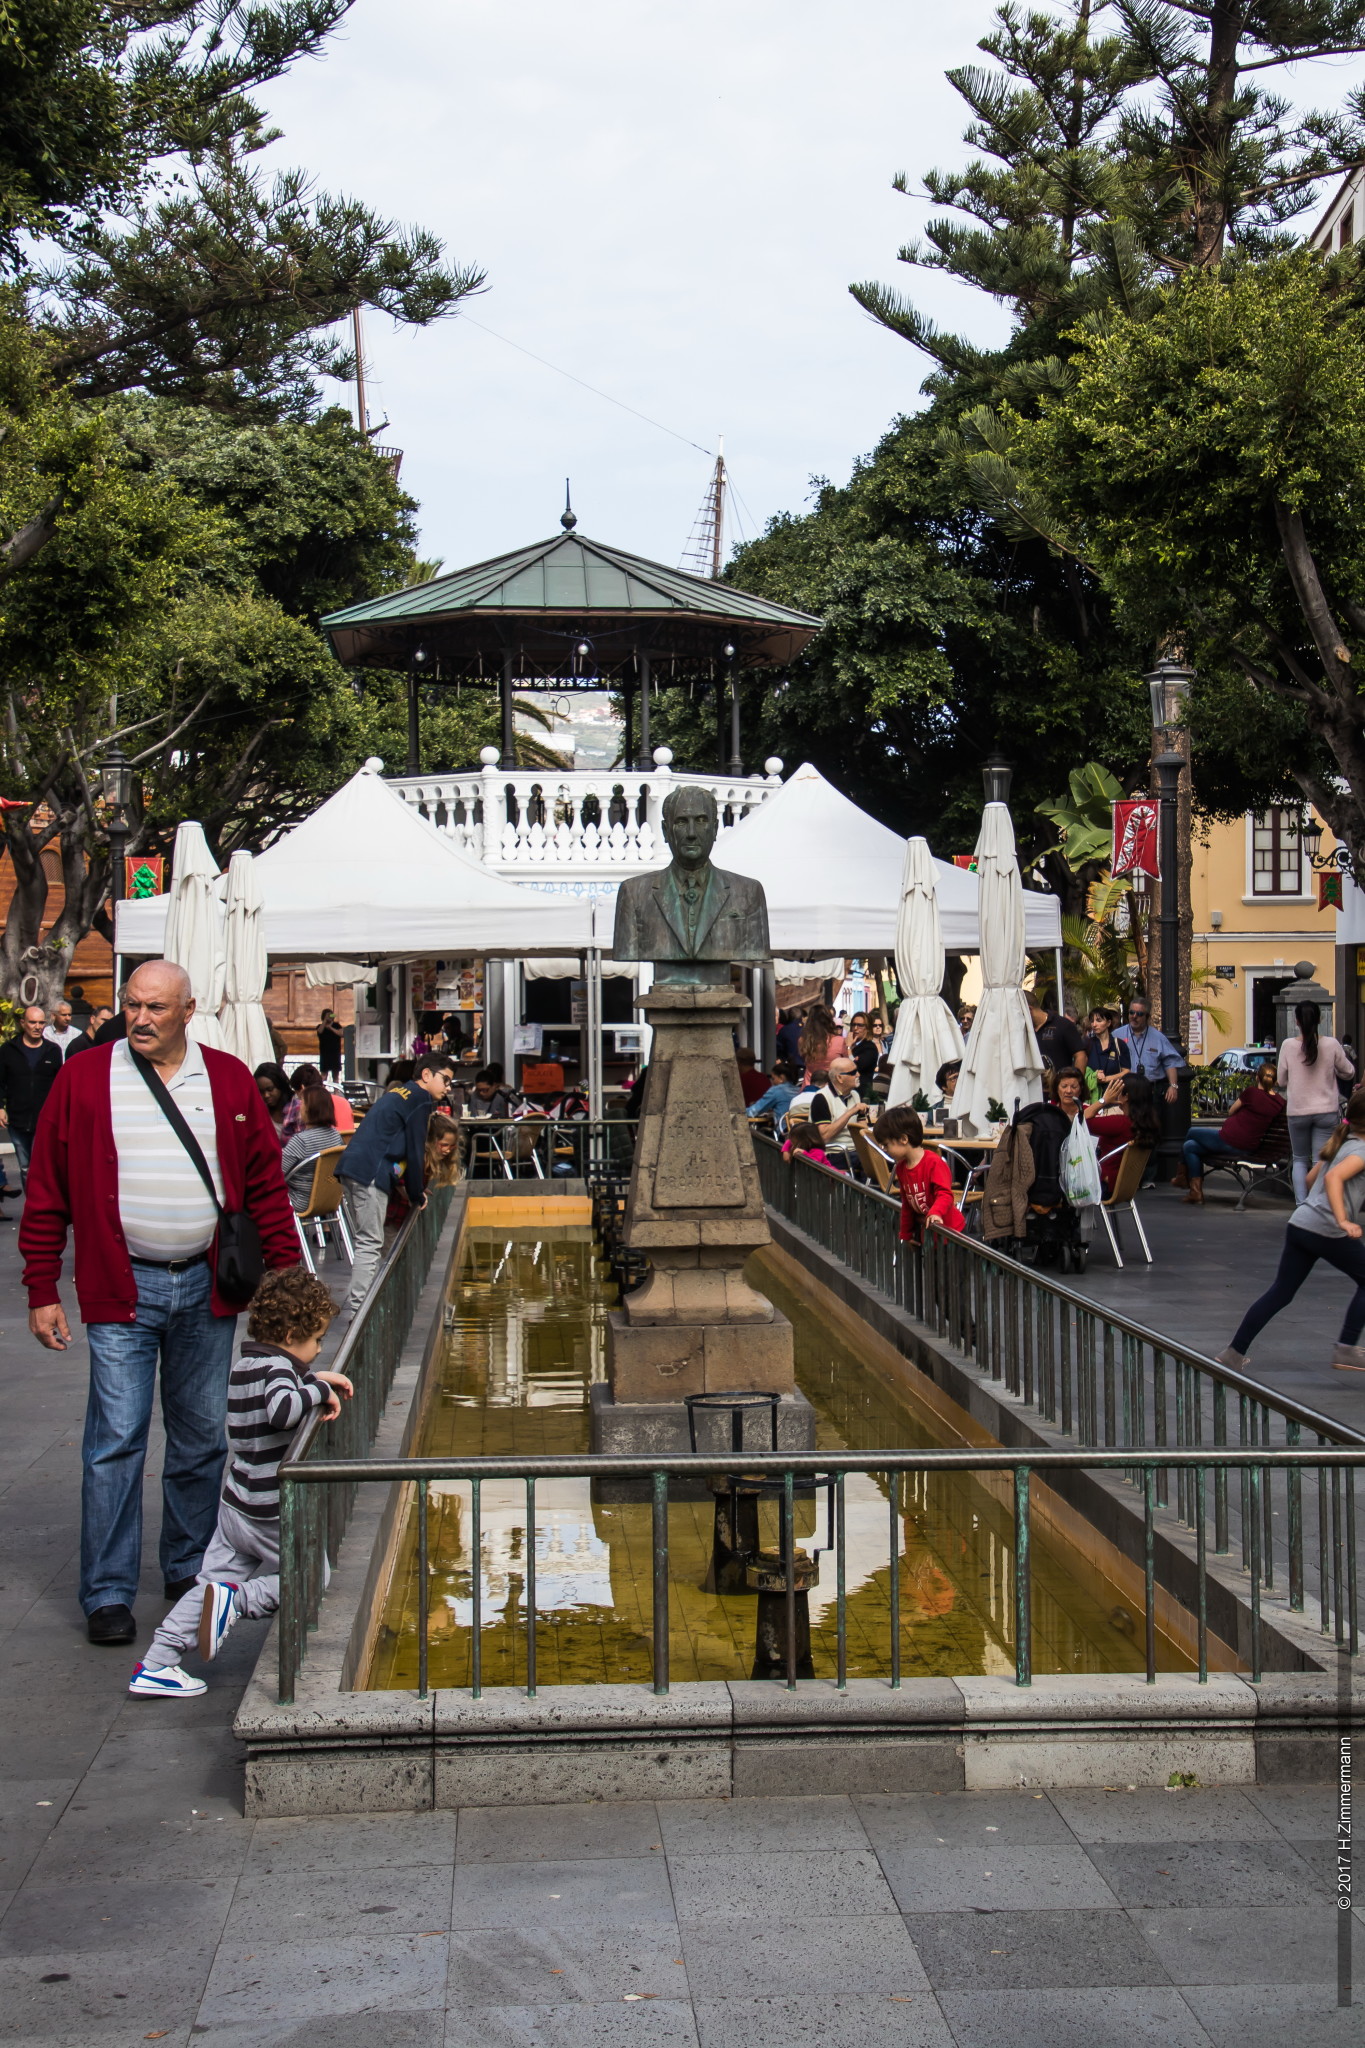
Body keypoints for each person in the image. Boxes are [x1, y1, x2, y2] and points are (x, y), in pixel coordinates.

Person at [19, 960, 299, 1645]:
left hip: (209, 1285)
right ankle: (109, 1592)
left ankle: (186, 1568)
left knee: (201, 1437)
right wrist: (40, 1285)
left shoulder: (228, 1078)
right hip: (122, 1284)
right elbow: (47, 1186)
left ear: (187, 1010)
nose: (140, 1018)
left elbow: (264, 1185)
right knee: (114, 1439)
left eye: (155, 1007)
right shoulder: (85, 1076)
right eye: (132, 1004)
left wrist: (289, 1285)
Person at [127, 1269, 351, 1697]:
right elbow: (283, 1409)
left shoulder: (246, 1365)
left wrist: (313, 1378)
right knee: (309, 1577)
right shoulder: (280, 1371)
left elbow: (274, 1395)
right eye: (317, 1340)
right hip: (270, 1508)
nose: (318, 1349)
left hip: (235, 1506)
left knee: (205, 1586)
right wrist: (318, 1390)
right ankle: (239, 1600)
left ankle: (157, 1662)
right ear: (290, 1333)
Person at [1219, 1087, 1365, 1372]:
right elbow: (1334, 1178)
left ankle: (1233, 1353)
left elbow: (1313, 1179)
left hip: (1302, 1224)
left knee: (1281, 1292)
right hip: (1326, 1229)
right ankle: (1346, 1348)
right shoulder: (1360, 1150)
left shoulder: (1342, 1141)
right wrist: (1343, 1218)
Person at [336, 1054, 451, 1314]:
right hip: (370, 1172)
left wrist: (409, 1187)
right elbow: (414, 1151)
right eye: (445, 1079)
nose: (447, 1087)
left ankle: (364, 1307)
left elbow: (397, 1148)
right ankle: (358, 1313)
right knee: (370, 1242)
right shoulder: (420, 1100)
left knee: (368, 1240)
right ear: (426, 1075)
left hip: (353, 1167)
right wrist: (416, 1193)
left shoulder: (401, 1092)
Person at [1277, 1000, 1355, 1203]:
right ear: (1320, 1019)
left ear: (1297, 1021)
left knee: (1300, 1159)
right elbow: (1349, 1072)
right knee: (1321, 1160)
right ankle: (1318, 1203)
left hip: (1297, 1111)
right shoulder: (1331, 1044)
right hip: (1326, 1111)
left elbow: (1281, 1080)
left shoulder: (1287, 1045)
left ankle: (1301, 1205)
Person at [1175, 1062, 1282, 1204]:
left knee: (1192, 1132)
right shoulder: (1279, 1102)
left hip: (1230, 1140)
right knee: (1190, 1146)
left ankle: (1182, 1177)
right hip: (1248, 1145)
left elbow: (1231, 1111)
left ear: (1257, 1077)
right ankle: (1195, 1192)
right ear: (1275, 1080)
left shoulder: (1251, 1092)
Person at [876, 1104, 964, 1244]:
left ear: (903, 1139)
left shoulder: (933, 1163)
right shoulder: (901, 1167)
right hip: (929, 1233)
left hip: (951, 1233)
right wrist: (906, 1234)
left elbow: (945, 1194)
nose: (885, 1149)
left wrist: (936, 1212)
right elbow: (907, 1205)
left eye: (886, 1145)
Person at [0, 1005, 64, 1183]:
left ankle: (45, 1207)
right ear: (23, 1023)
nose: (37, 1026)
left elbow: (59, 1086)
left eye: (41, 1022)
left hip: (45, 1120)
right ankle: (31, 1208)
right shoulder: (8, 1050)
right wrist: (0, 1108)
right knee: (26, 1167)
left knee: (44, 1168)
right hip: (17, 1119)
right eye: (33, 1022)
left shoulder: (53, 1050)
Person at [1085, 1071, 1162, 1195]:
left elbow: (1082, 1121)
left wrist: (1103, 1100)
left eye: (1118, 1090)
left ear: (1126, 1096)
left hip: (1104, 1183)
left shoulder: (1121, 1123)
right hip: (1124, 1186)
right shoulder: (1147, 1123)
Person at [280, 1087, 342, 1211]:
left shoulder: (301, 1141)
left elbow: (278, 1174)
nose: (299, 1108)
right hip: (329, 1198)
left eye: (302, 1104)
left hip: (300, 1200)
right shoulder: (336, 1135)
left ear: (310, 1109)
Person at [1114, 999, 1180, 1104]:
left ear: (1147, 1017)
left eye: (1139, 1014)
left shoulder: (1158, 1038)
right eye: (1131, 1012)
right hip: (1125, 1092)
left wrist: (1173, 1086)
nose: (1134, 1016)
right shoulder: (1116, 1036)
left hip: (1151, 1093)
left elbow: (1170, 1062)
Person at [806, 1055, 866, 1169]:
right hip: (832, 1153)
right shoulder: (821, 1098)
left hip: (854, 1151)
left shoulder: (855, 1095)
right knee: (870, 1163)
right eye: (853, 1072)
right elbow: (824, 1136)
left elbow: (862, 1128)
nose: (858, 1075)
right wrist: (849, 1113)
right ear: (839, 1078)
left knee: (885, 1159)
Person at [284, 1062, 354, 1138]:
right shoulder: (344, 1102)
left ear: (302, 1088)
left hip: (321, 1147)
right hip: (345, 1146)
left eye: (296, 1093)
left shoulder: (307, 1106)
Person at [1028, 997, 1086, 1078]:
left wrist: (1075, 1083)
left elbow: (1080, 1056)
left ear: (1028, 1009)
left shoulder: (1063, 1025)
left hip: (1060, 1087)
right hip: (1031, 1086)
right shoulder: (1021, 1030)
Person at [747, 1059, 802, 1129]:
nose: (772, 1082)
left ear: (781, 1078)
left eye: (773, 1079)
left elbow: (754, 1111)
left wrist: (739, 1111)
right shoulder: (799, 1090)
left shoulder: (777, 1090)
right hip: (800, 1131)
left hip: (784, 1132)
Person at [798, 1004, 846, 1083]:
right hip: (832, 1087)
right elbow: (846, 1064)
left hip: (809, 1085)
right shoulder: (839, 1041)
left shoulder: (803, 1040)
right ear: (829, 1020)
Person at [1083, 1008, 1128, 1084]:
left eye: (1099, 1020)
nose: (1094, 1024)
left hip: (1114, 1091)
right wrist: (1094, 1076)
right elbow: (1080, 1069)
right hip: (1092, 1093)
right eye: (1092, 1021)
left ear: (1108, 1023)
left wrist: (1107, 1079)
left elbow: (1126, 1071)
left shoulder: (1119, 1044)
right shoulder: (1086, 1043)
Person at [253, 1062, 292, 1143]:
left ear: (280, 1085)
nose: (266, 1095)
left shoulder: (296, 1108)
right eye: (261, 1092)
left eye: (270, 1089)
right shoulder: (259, 1111)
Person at [424, 1111, 463, 1188]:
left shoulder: (430, 1162)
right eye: (444, 1145)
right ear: (431, 1141)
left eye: (452, 1146)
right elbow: (395, 1168)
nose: (448, 1150)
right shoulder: (416, 1158)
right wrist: (401, 1185)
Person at [848, 1013, 880, 1092]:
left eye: (860, 1025)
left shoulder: (869, 1047)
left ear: (867, 1028)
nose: (855, 1028)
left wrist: (848, 1048)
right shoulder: (849, 1044)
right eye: (853, 1024)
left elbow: (855, 1067)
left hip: (861, 1091)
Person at [316, 1008, 343, 1082]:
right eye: (329, 1015)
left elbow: (341, 1033)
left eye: (331, 1015)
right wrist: (325, 1021)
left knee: (335, 1075)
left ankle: (336, 1091)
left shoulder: (336, 1025)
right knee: (324, 1075)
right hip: (325, 1054)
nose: (331, 1016)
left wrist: (330, 1027)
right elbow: (319, 1032)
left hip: (335, 1053)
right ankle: (322, 1091)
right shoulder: (320, 1026)